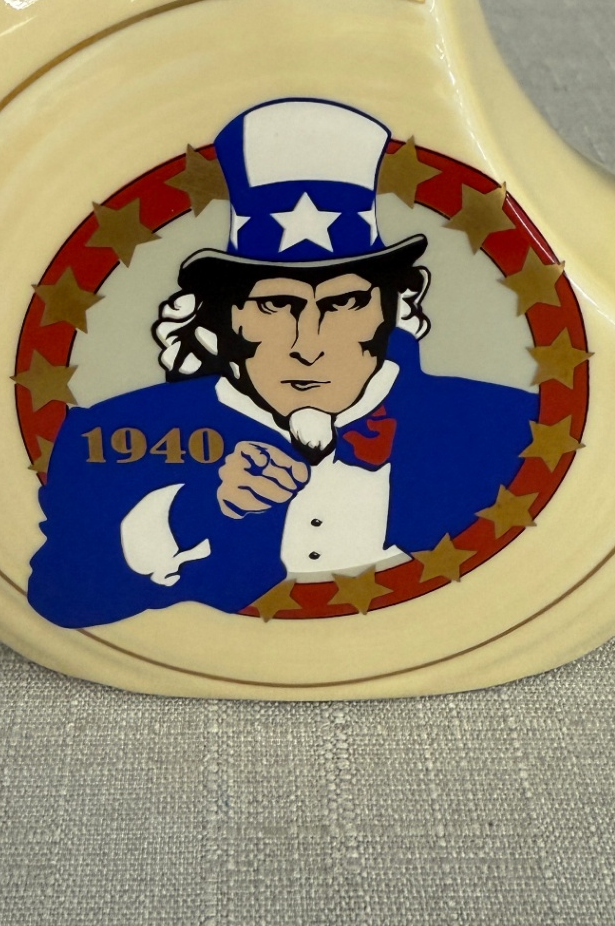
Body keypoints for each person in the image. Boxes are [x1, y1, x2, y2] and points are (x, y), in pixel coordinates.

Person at [28, 98, 538, 627]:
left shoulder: (510, 425)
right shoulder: (113, 429)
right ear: (225, 318)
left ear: (396, 306)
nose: (308, 345)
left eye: (344, 303)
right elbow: (60, 597)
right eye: (275, 305)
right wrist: (195, 510)